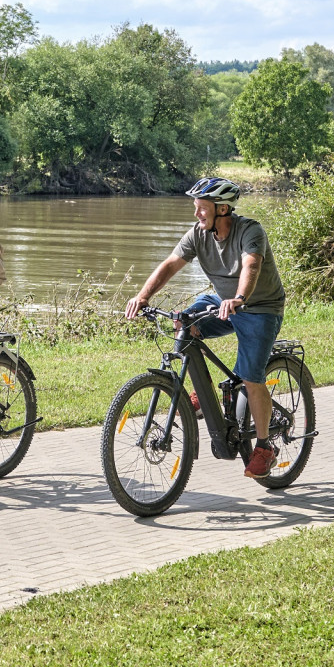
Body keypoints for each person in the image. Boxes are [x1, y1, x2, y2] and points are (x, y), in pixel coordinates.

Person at [124, 177, 287, 478]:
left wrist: (239, 298)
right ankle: (202, 393)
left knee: (251, 378)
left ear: (222, 209)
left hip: (259, 307)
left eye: (202, 209)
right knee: (184, 324)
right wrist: (143, 296)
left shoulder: (250, 230)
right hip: (221, 301)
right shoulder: (198, 234)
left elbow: (251, 266)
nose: (196, 214)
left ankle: (264, 447)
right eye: (195, 208)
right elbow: (170, 264)